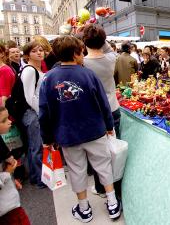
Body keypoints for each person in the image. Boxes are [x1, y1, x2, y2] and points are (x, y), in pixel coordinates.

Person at [39, 36, 121, 222]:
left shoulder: (49, 78)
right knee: (103, 165)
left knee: (77, 170)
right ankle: (112, 203)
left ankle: (84, 209)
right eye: (82, 51)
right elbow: (103, 104)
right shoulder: (88, 74)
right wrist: (109, 126)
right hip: (94, 130)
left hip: (67, 135)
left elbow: (44, 113)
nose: (83, 55)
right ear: (76, 54)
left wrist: (47, 138)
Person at [82, 24, 122, 200]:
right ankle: (115, 184)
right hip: (113, 108)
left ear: (84, 42)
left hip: (94, 113)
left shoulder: (82, 64)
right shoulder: (111, 58)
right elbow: (107, 46)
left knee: (98, 154)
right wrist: (97, 32)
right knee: (114, 150)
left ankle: (101, 187)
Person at [19, 41, 46, 188]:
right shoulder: (29, 70)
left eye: (41, 50)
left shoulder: (36, 69)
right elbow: (30, 97)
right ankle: (40, 179)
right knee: (36, 147)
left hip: (34, 111)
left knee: (35, 146)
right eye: (35, 51)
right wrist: (41, 112)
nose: (39, 53)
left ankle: (37, 177)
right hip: (32, 112)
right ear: (28, 54)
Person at [0, 107, 31, 225]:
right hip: (7, 210)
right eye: (3, 120)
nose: (9, 121)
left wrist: (11, 181)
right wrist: (8, 174)